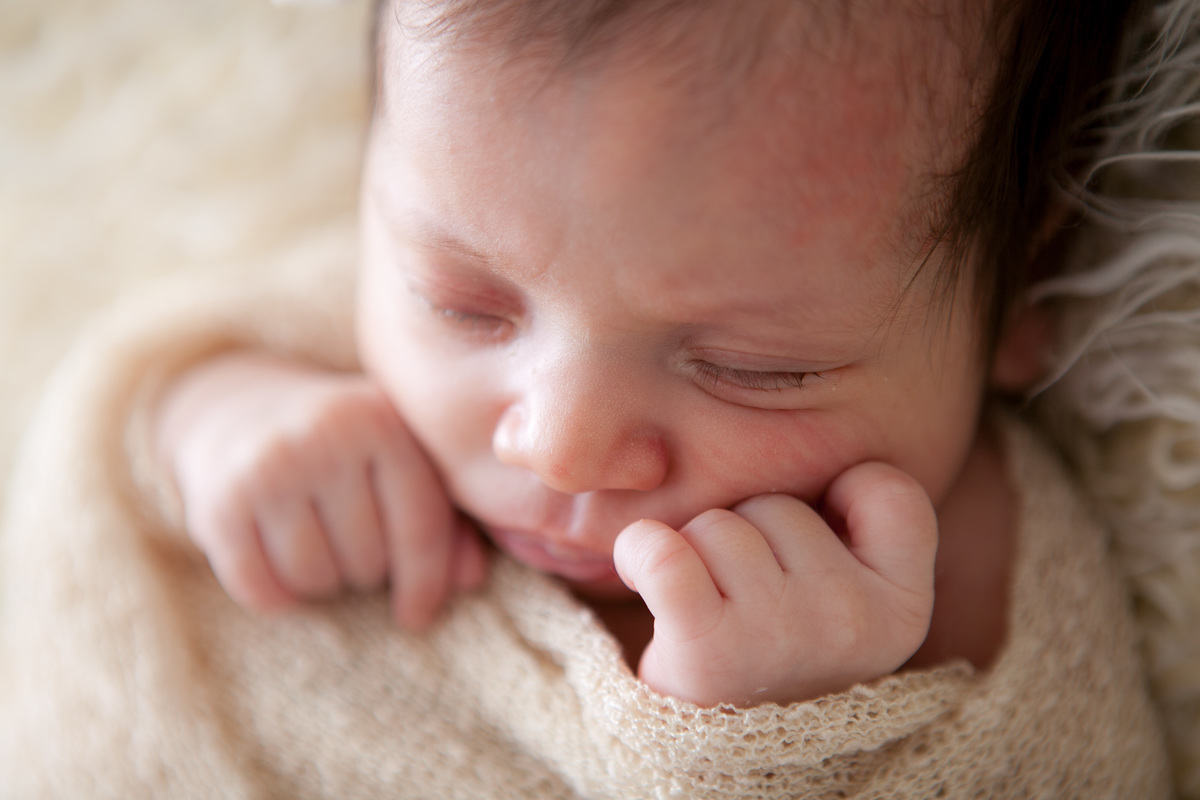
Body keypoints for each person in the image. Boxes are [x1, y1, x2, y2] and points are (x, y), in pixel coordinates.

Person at [1, 0, 1193, 796]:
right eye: (464, 303)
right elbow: (119, 418)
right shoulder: (343, 323)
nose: (560, 445)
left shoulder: (988, 580)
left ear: (1024, 294)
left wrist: (783, 742)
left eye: (749, 366)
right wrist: (210, 425)